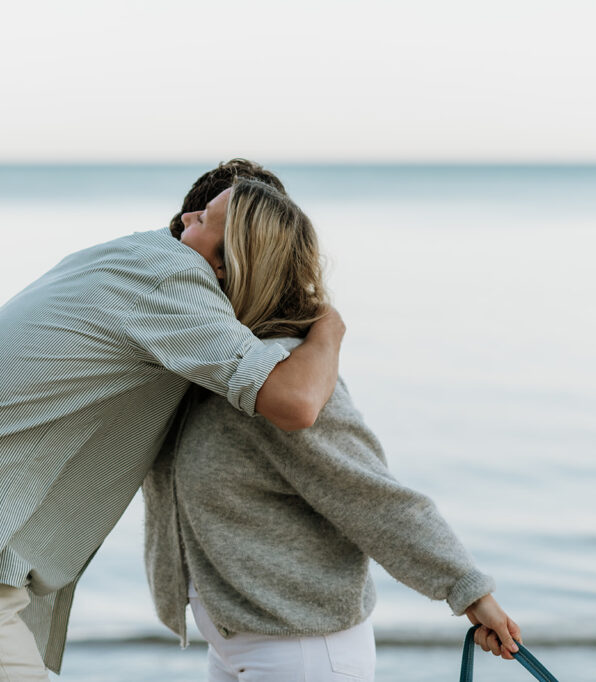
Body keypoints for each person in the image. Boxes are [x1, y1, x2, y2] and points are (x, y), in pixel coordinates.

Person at [0, 160, 346, 681]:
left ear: (232, 255)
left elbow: (71, 352)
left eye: (206, 217)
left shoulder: (120, 258)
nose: (186, 215)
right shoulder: (174, 277)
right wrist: (328, 323)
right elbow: (295, 403)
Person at [143, 189, 521, 681]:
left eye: (204, 217)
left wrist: (470, 591)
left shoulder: (283, 375)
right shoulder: (212, 361)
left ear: (226, 264)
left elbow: (371, 495)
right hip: (238, 646)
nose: (186, 215)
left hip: (303, 654)